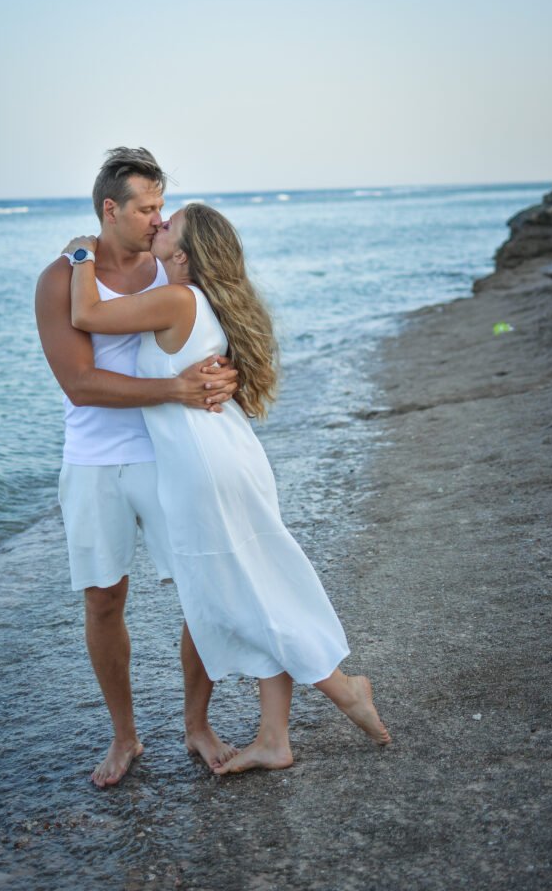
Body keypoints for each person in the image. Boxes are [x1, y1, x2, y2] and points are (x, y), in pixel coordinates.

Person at [62, 202, 391, 775]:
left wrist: (81, 253)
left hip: (204, 467)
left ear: (184, 255)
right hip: (219, 456)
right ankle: (274, 738)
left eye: (168, 225)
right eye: (154, 215)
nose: (158, 224)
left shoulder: (176, 298)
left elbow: (86, 314)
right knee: (252, 586)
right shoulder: (200, 299)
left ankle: (341, 688)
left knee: (243, 595)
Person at [35, 148, 239, 787]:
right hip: (94, 460)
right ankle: (125, 737)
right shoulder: (59, 279)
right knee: (103, 598)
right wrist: (177, 389)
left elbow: (215, 337)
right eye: (146, 208)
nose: (157, 220)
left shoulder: (173, 272)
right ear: (110, 209)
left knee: (201, 586)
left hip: (170, 452)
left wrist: (225, 378)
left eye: (160, 207)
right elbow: (81, 384)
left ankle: (197, 724)